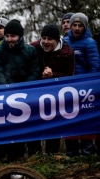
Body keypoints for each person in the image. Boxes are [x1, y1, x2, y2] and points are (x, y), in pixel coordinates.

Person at [0, 19, 40, 162]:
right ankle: (1, 158)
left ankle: (20, 156)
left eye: (13, 36)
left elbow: (34, 70)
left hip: (25, 94)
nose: (10, 39)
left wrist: (24, 90)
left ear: (20, 36)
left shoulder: (30, 50)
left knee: (25, 124)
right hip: (4, 94)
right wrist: (7, 90)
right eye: (7, 36)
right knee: (4, 125)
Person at [30, 24, 75, 155]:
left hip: (56, 94)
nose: (45, 42)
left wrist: (53, 75)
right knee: (34, 122)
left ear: (56, 40)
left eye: (49, 39)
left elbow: (70, 76)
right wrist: (41, 74)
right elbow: (29, 68)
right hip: (36, 93)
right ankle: (35, 155)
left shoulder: (68, 53)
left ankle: (52, 154)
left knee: (53, 122)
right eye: (43, 38)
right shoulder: (34, 48)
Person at [63, 12, 99, 157]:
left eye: (80, 25)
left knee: (85, 120)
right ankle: (71, 153)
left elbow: (95, 66)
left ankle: (87, 152)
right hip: (67, 89)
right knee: (69, 120)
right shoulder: (64, 41)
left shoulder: (90, 43)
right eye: (74, 25)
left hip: (85, 88)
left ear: (84, 27)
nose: (77, 28)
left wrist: (89, 85)